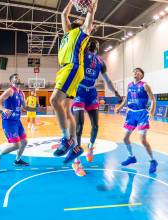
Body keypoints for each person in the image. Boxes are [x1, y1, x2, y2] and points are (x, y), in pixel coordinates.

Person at [50, 0, 98, 164]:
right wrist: (71, 1)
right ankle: (76, 146)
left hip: (73, 66)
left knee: (54, 100)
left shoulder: (82, 32)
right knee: (65, 108)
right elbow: (63, 14)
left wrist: (92, 6)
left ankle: (66, 139)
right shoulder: (67, 34)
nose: (71, 21)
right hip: (65, 69)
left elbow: (90, 17)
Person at [71, 39, 121, 176]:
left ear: (98, 48)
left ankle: (91, 147)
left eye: (96, 43)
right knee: (79, 126)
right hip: (79, 91)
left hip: (92, 92)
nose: (94, 44)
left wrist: (116, 93)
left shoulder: (100, 62)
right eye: (91, 43)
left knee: (96, 126)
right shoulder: (81, 55)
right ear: (87, 45)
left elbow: (108, 80)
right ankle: (76, 161)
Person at [115, 68, 158, 174]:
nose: (135, 73)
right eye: (134, 71)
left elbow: (153, 99)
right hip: (131, 114)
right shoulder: (129, 85)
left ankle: (152, 161)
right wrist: (120, 107)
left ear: (141, 75)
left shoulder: (145, 85)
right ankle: (131, 157)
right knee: (125, 138)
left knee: (142, 140)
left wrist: (151, 111)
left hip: (142, 113)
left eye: (138, 72)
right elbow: (126, 98)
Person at [0, 74, 29, 170]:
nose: (18, 78)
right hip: (8, 121)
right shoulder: (10, 91)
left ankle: (17, 160)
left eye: (18, 77)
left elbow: (25, 107)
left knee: (24, 142)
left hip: (17, 121)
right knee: (16, 145)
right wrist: (4, 109)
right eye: (15, 77)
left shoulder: (21, 93)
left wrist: (37, 108)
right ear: (11, 82)